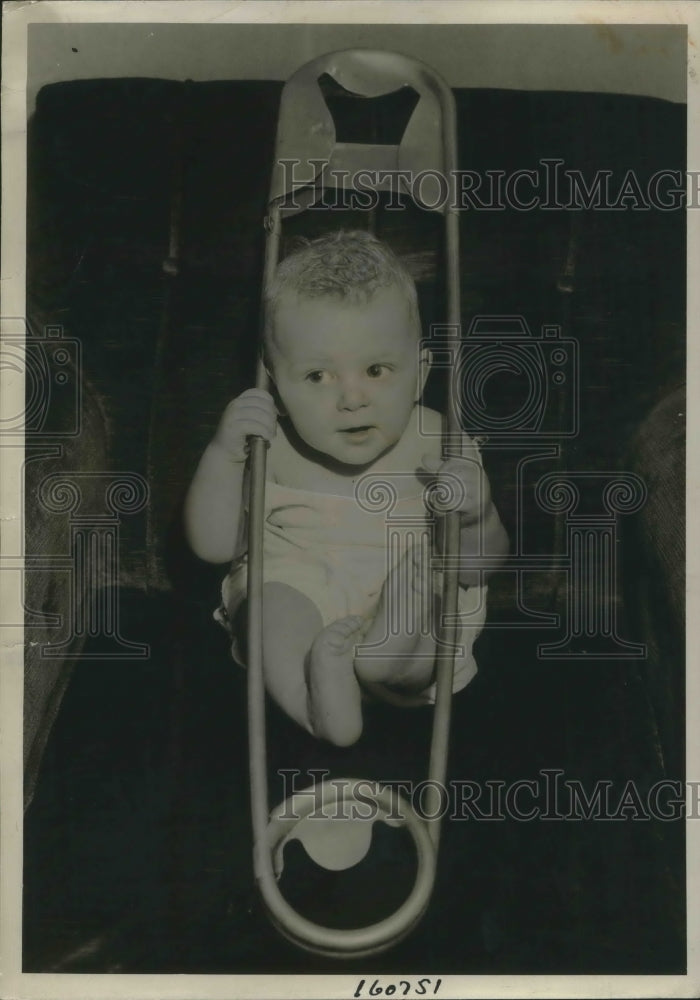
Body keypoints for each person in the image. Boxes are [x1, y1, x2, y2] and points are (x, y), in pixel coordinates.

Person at [185, 231, 508, 747]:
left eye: (377, 370)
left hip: (410, 602)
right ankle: (315, 704)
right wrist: (225, 455)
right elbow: (214, 546)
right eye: (317, 376)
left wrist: (476, 515)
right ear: (277, 388)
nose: (352, 398)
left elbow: (479, 567)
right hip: (302, 585)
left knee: (431, 617)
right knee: (270, 606)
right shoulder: (270, 449)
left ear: (420, 373)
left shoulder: (442, 444)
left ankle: (386, 658)